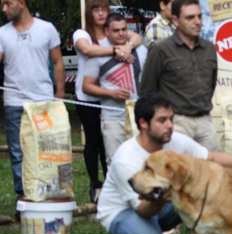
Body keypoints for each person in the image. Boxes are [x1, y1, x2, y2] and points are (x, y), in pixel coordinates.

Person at [97, 93, 232, 234]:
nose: (170, 125)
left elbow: (210, 157)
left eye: (171, 119)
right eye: (162, 120)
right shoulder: (126, 159)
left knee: (207, 198)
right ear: (143, 123)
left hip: (160, 203)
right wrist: (166, 197)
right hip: (123, 213)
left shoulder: (175, 141)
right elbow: (143, 210)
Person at [0, 0, 65, 220]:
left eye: (7, 4)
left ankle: (48, 193)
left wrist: (60, 95)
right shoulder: (2, 33)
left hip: (44, 102)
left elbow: (57, 62)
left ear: (21, 3)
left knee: (46, 150)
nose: (4, 9)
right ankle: (23, 198)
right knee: (18, 152)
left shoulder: (46, 28)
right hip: (14, 102)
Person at [74, 0, 143, 203]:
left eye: (104, 8)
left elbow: (137, 38)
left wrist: (128, 45)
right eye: (96, 9)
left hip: (113, 100)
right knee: (93, 141)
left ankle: (110, 183)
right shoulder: (82, 34)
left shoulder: (115, 31)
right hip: (88, 96)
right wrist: (117, 50)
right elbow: (88, 50)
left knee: (108, 143)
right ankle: (96, 184)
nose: (101, 13)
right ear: (89, 12)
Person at [141, 0, 218, 151]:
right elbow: (147, 90)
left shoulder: (209, 49)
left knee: (210, 171)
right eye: (190, 18)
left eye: (199, 16)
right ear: (175, 20)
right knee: (176, 172)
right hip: (176, 122)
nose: (197, 22)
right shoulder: (161, 50)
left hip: (205, 121)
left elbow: (211, 84)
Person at [82, 13, 148, 166]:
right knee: (115, 163)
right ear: (106, 32)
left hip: (139, 116)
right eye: (116, 30)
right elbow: (86, 86)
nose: (121, 33)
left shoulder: (141, 51)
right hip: (112, 117)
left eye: (124, 29)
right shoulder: (98, 55)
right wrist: (111, 93)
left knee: (142, 163)